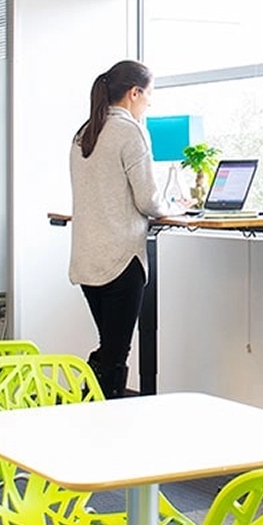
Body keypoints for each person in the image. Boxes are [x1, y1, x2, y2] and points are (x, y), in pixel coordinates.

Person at [69, 60, 184, 398]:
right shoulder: (129, 130)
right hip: (120, 259)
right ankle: (97, 421)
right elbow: (149, 200)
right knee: (115, 353)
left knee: (109, 347)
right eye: (148, 96)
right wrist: (173, 209)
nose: (148, 103)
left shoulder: (85, 130)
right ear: (134, 93)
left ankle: (85, 413)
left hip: (88, 260)